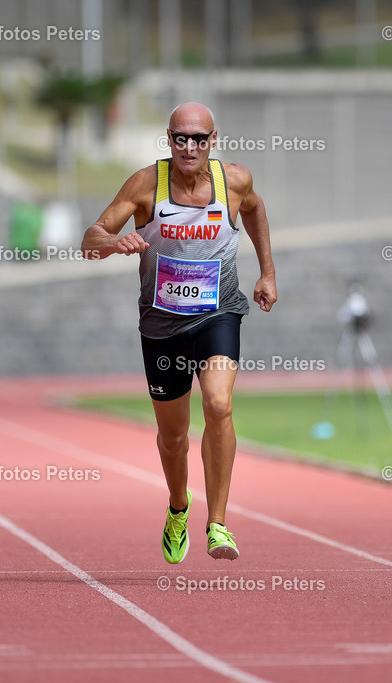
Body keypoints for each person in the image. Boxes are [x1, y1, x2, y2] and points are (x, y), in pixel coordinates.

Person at [81, 102, 277, 563]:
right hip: (161, 324)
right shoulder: (146, 184)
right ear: (169, 139)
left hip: (218, 312)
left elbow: (255, 210)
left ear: (213, 140)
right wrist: (114, 242)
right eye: (180, 138)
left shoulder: (235, 181)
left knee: (219, 404)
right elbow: (90, 241)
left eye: (199, 139)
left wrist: (267, 272)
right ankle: (177, 506)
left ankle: (218, 524)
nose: (189, 147)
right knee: (173, 437)